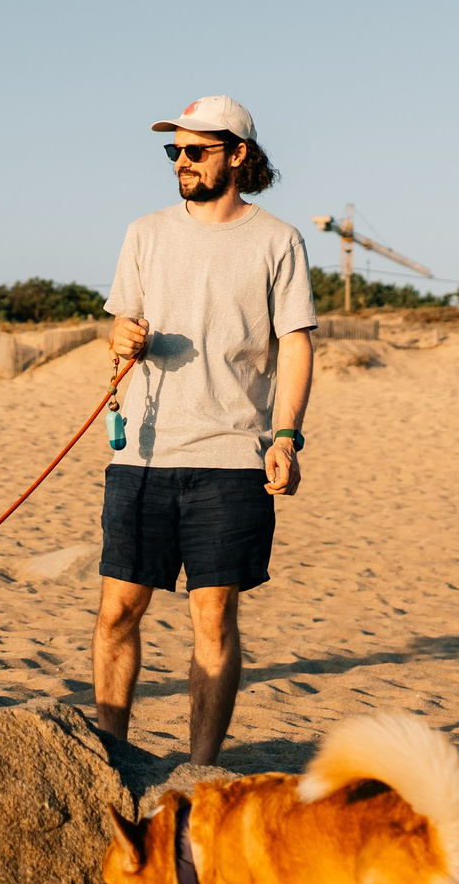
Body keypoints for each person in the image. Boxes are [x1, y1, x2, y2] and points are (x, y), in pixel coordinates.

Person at [97, 95, 316, 766]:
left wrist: (287, 437)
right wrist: (120, 336)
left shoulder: (278, 240)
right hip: (143, 451)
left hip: (231, 458)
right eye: (175, 151)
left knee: (213, 619)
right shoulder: (145, 232)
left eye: (196, 150)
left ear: (238, 153)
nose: (182, 163)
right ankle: (110, 759)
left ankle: (198, 770)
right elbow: (117, 336)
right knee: (116, 615)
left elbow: (297, 344)